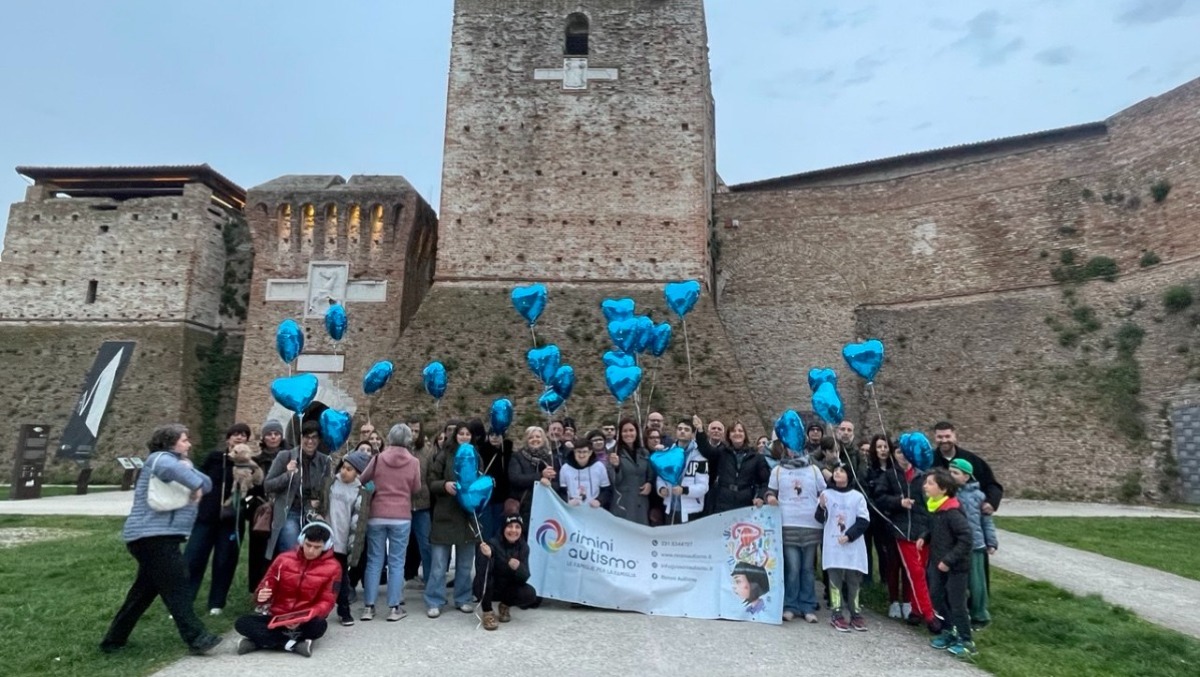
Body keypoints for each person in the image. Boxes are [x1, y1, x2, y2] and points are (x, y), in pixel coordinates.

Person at [101, 424, 222, 656]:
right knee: (177, 585)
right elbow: (176, 472)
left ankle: (113, 641)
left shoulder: (179, 463)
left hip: (158, 537)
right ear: (170, 443)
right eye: (184, 440)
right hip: (151, 537)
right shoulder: (159, 459)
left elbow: (206, 484)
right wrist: (193, 480)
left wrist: (191, 472)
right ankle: (197, 637)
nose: (189, 444)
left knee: (142, 593)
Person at [235, 522, 342, 658]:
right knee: (242, 623)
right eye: (308, 545)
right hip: (277, 616)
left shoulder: (334, 568)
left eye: (317, 547)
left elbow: (327, 601)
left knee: (319, 626)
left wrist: (305, 616)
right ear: (301, 541)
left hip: (305, 619)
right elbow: (265, 586)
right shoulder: (283, 559)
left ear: (326, 547)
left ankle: (260, 642)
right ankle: (292, 644)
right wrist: (260, 595)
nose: (311, 551)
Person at [185, 422, 250, 616]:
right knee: (193, 558)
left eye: (244, 435)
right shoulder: (214, 457)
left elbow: (255, 485)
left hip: (231, 520)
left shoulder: (248, 463)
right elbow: (198, 479)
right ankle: (185, 600)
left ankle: (216, 602)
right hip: (206, 516)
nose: (239, 437)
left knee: (224, 561)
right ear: (228, 439)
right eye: (236, 434)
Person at [359, 424, 421, 622]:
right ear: (408, 440)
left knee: (374, 560)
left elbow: (362, 479)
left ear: (390, 437)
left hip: (377, 514)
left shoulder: (378, 459)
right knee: (397, 562)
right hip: (401, 515)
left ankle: (369, 607)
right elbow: (416, 488)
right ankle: (394, 607)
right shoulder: (414, 462)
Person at [873, 444, 936, 629]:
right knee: (899, 567)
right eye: (900, 452)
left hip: (921, 530)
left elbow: (930, 503)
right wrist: (898, 502)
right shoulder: (889, 475)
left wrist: (928, 528)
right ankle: (901, 603)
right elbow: (879, 497)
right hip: (897, 530)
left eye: (907, 452)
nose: (904, 456)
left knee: (918, 571)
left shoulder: (923, 476)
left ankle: (913, 607)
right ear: (894, 454)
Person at [919, 469, 976, 659]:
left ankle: (966, 641)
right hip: (938, 564)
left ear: (943, 489)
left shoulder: (952, 512)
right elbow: (935, 529)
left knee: (956, 603)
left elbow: (966, 539)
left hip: (955, 567)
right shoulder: (936, 508)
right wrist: (925, 537)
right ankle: (950, 631)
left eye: (930, 483)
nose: (925, 486)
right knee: (937, 597)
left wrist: (949, 560)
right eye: (926, 482)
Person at [425, 422, 482, 617]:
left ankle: (463, 598)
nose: (464, 437)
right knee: (439, 564)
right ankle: (434, 600)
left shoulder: (476, 456)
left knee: (465, 564)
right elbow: (431, 481)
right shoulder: (444, 455)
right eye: (461, 433)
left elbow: (481, 479)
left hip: (467, 516)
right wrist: (444, 485)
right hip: (445, 514)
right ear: (455, 436)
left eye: (468, 434)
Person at [765, 444, 825, 623]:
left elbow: (824, 491)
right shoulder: (778, 470)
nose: (794, 450)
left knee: (808, 568)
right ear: (786, 449)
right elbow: (770, 491)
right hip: (787, 523)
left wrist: (824, 500)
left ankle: (807, 605)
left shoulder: (814, 470)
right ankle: (790, 605)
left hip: (811, 524)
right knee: (793, 568)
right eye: (790, 447)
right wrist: (770, 497)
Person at [264, 421, 332, 558]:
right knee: (292, 550)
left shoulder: (324, 461)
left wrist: (319, 504)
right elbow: (268, 485)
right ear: (301, 438)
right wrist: (287, 474)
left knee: (314, 552)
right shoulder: (285, 456)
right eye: (307, 437)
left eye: (314, 437)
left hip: (312, 513)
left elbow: (326, 490)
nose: (310, 441)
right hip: (289, 512)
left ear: (319, 440)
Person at [816, 465, 871, 632]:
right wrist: (821, 507)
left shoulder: (857, 497)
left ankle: (855, 613)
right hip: (833, 545)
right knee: (835, 581)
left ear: (848, 475)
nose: (837, 473)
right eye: (835, 471)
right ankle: (837, 613)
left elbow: (863, 521)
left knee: (853, 581)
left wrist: (849, 536)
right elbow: (819, 518)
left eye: (841, 471)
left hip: (852, 545)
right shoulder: (826, 494)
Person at [948, 458, 997, 631]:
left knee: (977, 583)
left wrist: (991, 541)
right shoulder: (948, 494)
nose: (951, 475)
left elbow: (986, 522)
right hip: (954, 545)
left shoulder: (978, 496)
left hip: (975, 545)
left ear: (966, 476)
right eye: (949, 472)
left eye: (955, 473)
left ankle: (980, 615)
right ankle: (958, 614)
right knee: (957, 583)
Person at [324, 450, 372, 626]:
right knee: (322, 576)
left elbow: (359, 522)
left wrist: (352, 546)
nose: (344, 471)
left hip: (343, 542)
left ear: (358, 473)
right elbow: (320, 503)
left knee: (341, 578)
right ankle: (320, 609)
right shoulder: (330, 484)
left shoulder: (360, 492)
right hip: (326, 540)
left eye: (349, 469)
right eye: (343, 467)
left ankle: (343, 609)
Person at [474, 515, 541, 630]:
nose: (513, 530)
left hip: (507, 588)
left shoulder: (524, 547)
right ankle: (487, 612)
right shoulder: (492, 543)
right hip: (490, 587)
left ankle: (505, 605)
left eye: (517, 527)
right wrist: (490, 555)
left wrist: (518, 568)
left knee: (530, 593)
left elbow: (525, 577)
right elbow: (482, 571)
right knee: (486, 573)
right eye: (510, 526)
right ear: (503, 528)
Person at [695, 416, 769, 515]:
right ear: (729, 436)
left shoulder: (756, 457)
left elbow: (765, 481)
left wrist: (760, 496)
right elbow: (707, 450)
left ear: (745, 435)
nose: (737, 433)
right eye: (733, 431)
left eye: (740, 431)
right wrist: (700, 430)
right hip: (722, 502)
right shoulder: (722, 452)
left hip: (745, 503)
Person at [864, 435, 904, 617]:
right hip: (872, 514)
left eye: (885, 447)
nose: (882, 450)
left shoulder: (894, 470)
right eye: (879, 447)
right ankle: (868, 582)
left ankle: (886, 582)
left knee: (886, 552)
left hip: (889, 516)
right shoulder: (869, 469)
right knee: (870, 548)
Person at [246, 420, 286, 594]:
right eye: (269, 434)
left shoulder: (289, 458)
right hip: (261, 510)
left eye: (276, 434)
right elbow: (250, 488)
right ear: (263, 437)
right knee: (259, 552)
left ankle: (279, 589)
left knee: (280, 550)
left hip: (283, 508)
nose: (273, 437)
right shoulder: (255, 461)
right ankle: (259, 591)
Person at [931, 422, 1003, 514]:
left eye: (947, 436)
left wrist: (991, 502)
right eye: (940, 437)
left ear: (955, 436)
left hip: (967, 514)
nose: (944, 440)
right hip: (936, 513)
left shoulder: (971, 459)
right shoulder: (928, 460)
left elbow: (992, 484)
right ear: (935, 437)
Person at [656, 418, 709, 523]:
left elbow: (703, 487)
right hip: (670, 508)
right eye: (680, 429)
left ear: (693, 434)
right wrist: (661, 488)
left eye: (686, 429)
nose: (682, 431)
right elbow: (661, 477)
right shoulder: (668, 453)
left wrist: (684, 490)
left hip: (691, 510)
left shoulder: (700, 457)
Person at [404, 419, 435, 590]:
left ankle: (430, 582)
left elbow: (430, 476)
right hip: (402, 504)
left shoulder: (427, 452)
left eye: (416, 431)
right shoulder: (400, 450)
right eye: (411, 430)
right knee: (401, 546)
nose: (414, 434)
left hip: (422, 504)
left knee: (426, 545)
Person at [508, 425, 558, 528]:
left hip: (545, 506)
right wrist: (540, 476)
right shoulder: (518, 457)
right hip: (525, 505)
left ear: (543, 439)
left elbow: (558, 483)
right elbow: (515, 478)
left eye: (538, 437)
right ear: (526, 440)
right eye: (531, 437)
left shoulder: (551, 458)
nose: (535, 439)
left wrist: (550, 484)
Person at [608, 418, 652, 524]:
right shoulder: (613, 453)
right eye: (625, 431)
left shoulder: (644, 452)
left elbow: (650, 473)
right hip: (623, 502)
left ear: (636, 432)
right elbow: (613, 481)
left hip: (641, 501)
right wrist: (616, 467)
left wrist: (649, 483)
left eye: (631, 430)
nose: (628, 434)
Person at [560, 430, 613, 508]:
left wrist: (599, 500)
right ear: (574, 452)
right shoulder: (565, 468)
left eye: (584, 452)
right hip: (572, 507)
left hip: (594, 508)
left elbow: (606, 489)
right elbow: (562, 490)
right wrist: (567, 501)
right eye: (579, 452)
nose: (581, 455)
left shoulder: (599, 466)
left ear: (590, 452)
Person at [479, 421, 512, 541]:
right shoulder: (482, 451)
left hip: (500, 497)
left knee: (499, 529)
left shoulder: (506, 452)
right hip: (485, 497)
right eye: (491, 434)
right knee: (486, 530)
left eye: (497, 435)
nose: (494, 437)